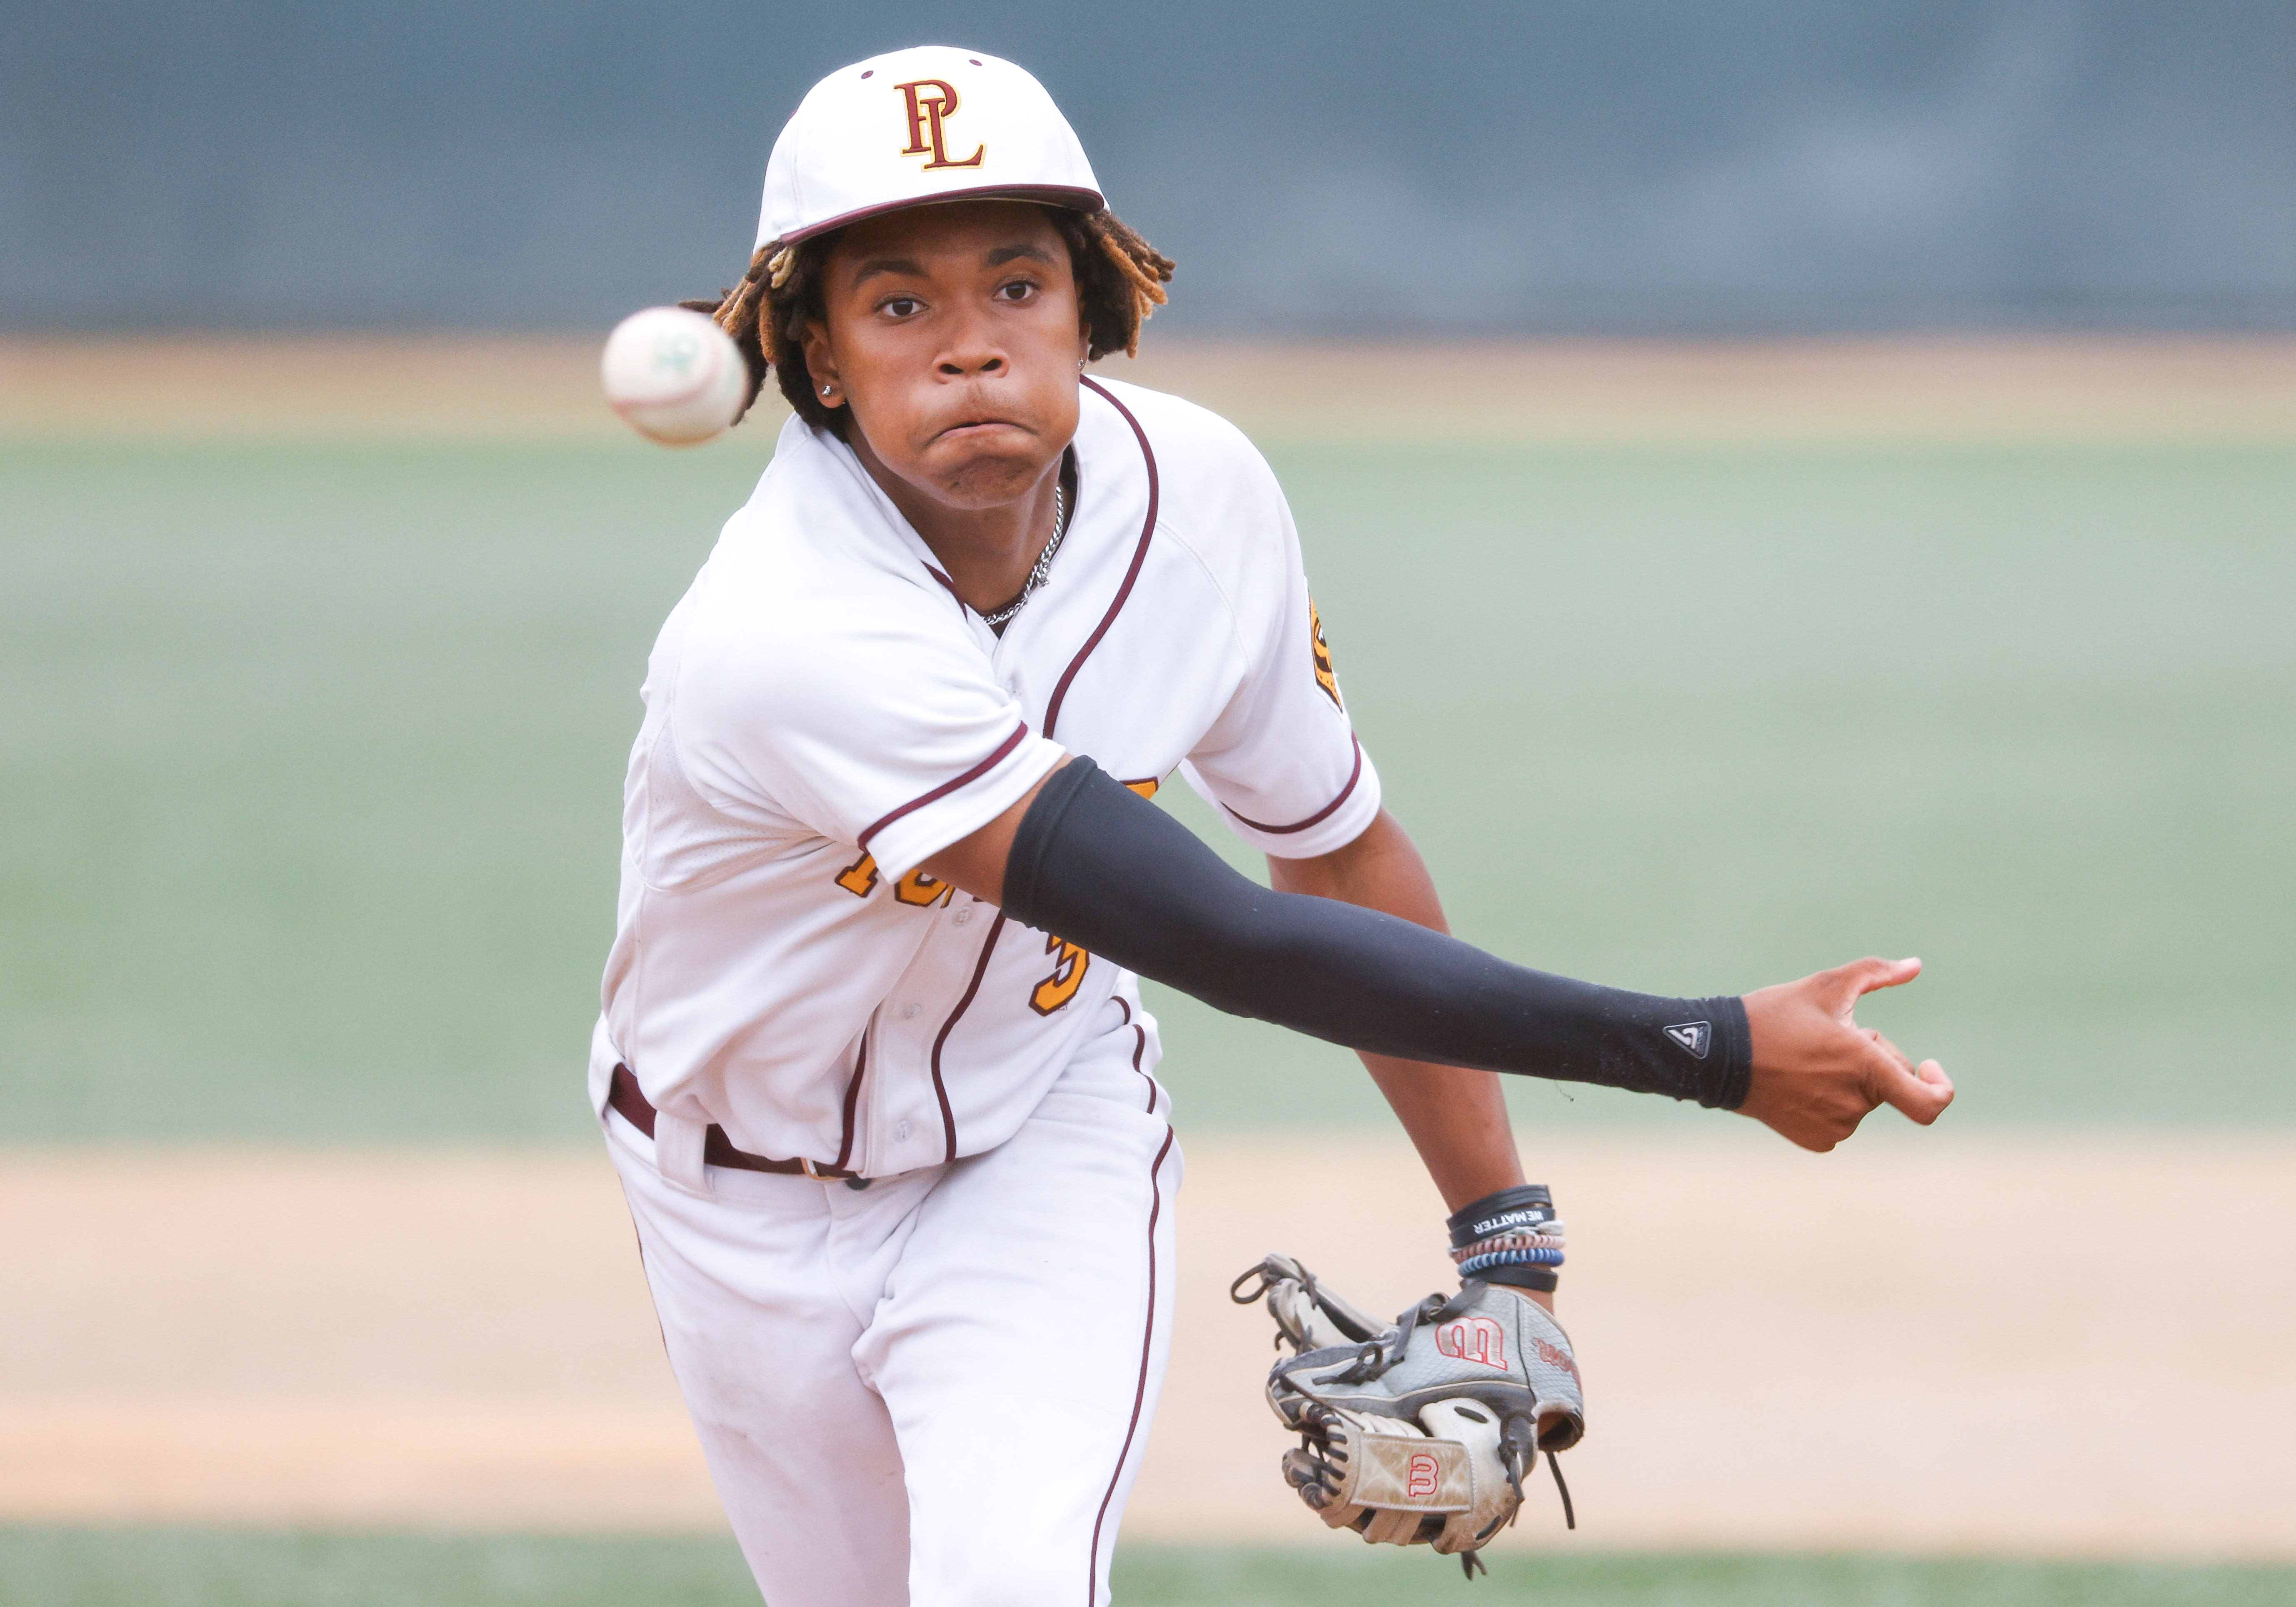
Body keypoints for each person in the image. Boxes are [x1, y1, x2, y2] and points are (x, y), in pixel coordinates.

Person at [589, 44, 1952, 1606]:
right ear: (819, 357)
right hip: (730, 1198)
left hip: (1037, 1143)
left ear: (1093, 307)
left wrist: (1505, 1236)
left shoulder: (1203, 500)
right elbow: (1229, 937)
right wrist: (1706, 1048)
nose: (970, 350)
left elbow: (1333, 850)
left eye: (1016, 288)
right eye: (901, 305)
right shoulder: (789, 628)